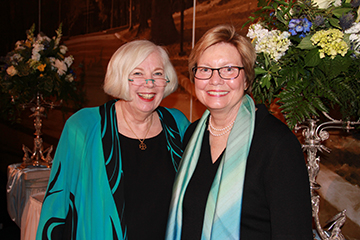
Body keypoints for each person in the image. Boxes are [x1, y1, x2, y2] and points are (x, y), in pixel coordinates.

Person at [166, 25, 313, 239]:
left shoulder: (276, 144)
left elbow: (294, 233)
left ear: (246, 79)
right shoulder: (192, 135)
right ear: (194, 76)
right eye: (205, 69)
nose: (215, 80)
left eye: (228, 69)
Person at [36, 40, 190, 240]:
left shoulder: (177, 125)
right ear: (119, 77)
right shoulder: (83, 127)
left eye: (158, 74)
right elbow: (57, 205)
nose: (149, 83)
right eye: (137, 73)